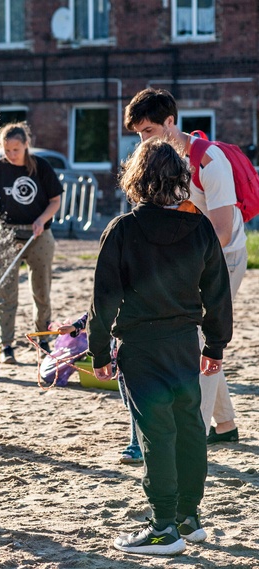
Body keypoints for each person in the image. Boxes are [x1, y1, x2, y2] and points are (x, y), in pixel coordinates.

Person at [87, 139, 232, 555]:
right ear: (180, 180)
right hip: (186, 343)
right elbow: (218, 293)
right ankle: (190, 517)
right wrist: (215, 346)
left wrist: (99, 352)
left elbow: (103, 299)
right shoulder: (200, 225)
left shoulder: (122, 229)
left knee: (157, 434)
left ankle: (163, 527)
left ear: (137, 179)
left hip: (141, 346)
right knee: (189, 429)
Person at [124, 88, 247, 444]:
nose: (142, 141)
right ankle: (225, 426)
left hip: (225, 255)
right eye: (138, 134)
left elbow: (221, 233)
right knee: (192, 334)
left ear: (170, 122)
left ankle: (193, 431)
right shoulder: (154, 161)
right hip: (188, 255)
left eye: (148, 131)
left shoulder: (208, 161)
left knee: (199, 337)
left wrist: (185, 270)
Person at [0, 122, 63, 365]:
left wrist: (41, 220)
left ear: (26, 145)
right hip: (7, 233)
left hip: (39, 235)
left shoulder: (42, 167)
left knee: (41, 291)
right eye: (7, 150)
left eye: (15, 150)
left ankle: (43, 339)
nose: (11, 155)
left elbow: (55, 201)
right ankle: (6, 344)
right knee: (5, 292)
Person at [57, 314, 143, 465]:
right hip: (123, 357)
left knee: (139, 404)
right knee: (130, 404)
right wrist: (76, 326)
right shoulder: (117, 291)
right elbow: (100, 310)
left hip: (147, 350)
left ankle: (137, 446)